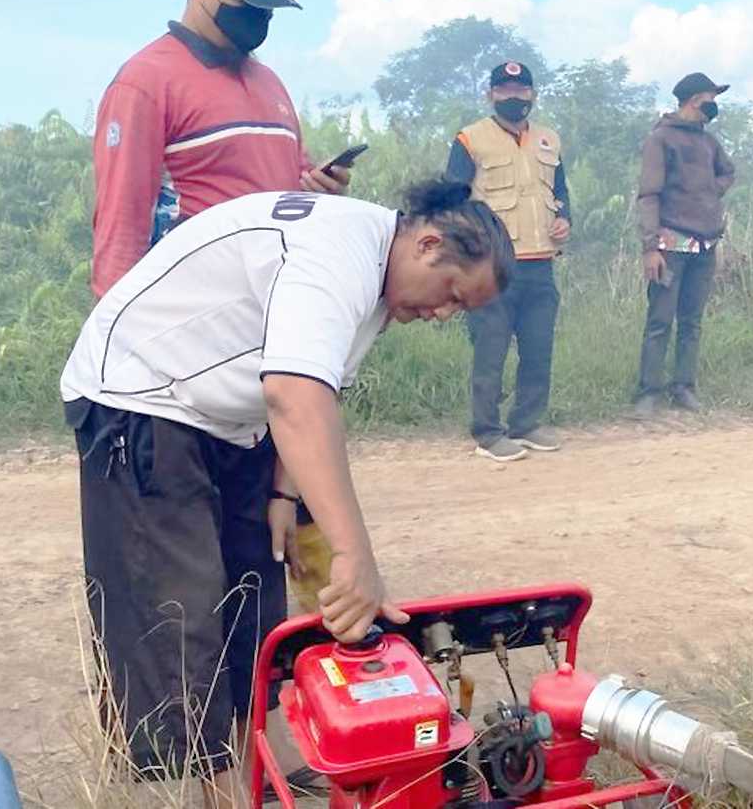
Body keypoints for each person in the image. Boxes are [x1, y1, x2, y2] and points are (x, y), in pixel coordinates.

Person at [60, 181, 512, 808]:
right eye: (451, 295)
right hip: (141, 399)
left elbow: (320, 392)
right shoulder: (339, 253)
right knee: (176, 616)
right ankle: (189, 788)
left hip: (229, 419)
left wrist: (283, 494)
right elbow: (294, 397)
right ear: (428, 244)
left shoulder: (378, 279)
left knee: (255, 597)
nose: (442, 315)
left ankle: (254, 766)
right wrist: (354, 555)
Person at [91, 0, 349, 298]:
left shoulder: (270, 84)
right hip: (185, 314)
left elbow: (285, 193)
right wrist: (112, 328)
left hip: (266, 312)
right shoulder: (145, 83)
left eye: (267, 7)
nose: (260, 15)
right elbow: (121, 223)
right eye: (246, 2)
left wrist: (317, 189)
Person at [446, 61, 572, 462]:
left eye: (521, 90)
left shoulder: (549, 139)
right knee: (491, 350)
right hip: (494, 267)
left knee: (539, 349)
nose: (514, 96)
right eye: (505, 90)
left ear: (532, 94)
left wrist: (565, 220)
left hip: (541, 264)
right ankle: (487, 432)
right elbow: (453, 201)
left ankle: (528, 424)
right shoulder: (471, 139)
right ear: (491, 95)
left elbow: (561, 193)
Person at [632, 72, 736, 418]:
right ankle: (648, 393)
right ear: (695, 99)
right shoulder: (660, 139)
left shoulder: (709, 142)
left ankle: (684, 388)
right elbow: (649, 195)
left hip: (705, 243)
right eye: (711, 97)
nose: (714, 104)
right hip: (670, 243)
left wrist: (710, 191)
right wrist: (650, 247)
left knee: (692, 321)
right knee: (660, 320)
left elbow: (728, 172)